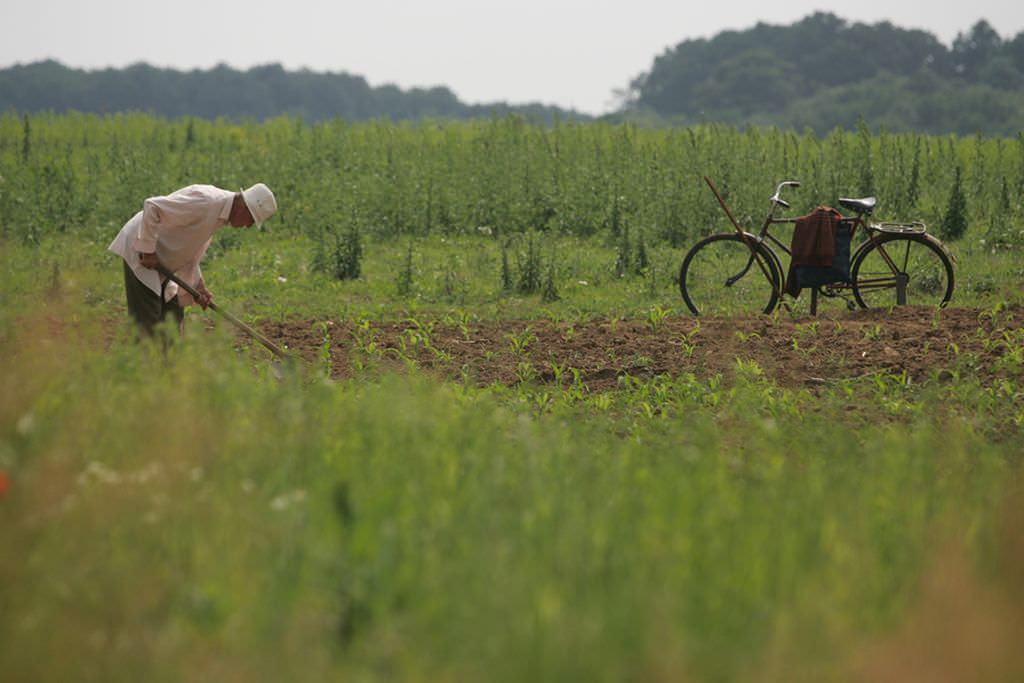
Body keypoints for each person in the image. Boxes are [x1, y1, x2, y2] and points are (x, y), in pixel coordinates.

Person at [109, 183, 277, 337]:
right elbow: (152, 206)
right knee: (148, 321)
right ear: (244, 208)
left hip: (162, 261)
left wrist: (198, 286)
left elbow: (188, 250)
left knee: (172, 317)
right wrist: (147, 250)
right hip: (140, 251)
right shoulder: (206, 202)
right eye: (251, 220)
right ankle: (143, 366)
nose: (247, 226)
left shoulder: (218, 217)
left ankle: (167, 366)